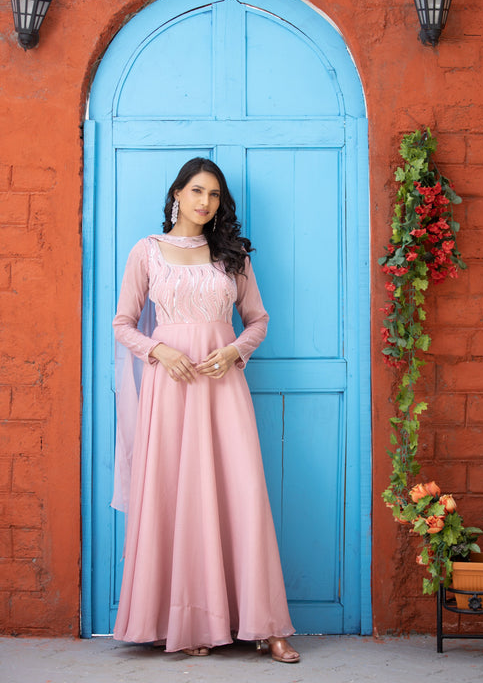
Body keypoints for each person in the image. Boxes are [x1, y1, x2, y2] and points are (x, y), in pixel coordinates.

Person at [112, 157, 300, 663]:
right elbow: (123, 324)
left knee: (242, 496)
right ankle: (185, 622)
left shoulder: (231, 255)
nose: (205, 202)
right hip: (170, 389)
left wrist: (235, 350)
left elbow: (257, 320)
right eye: (197, 191)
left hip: (223, 388)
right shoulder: (147, 253)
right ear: (177, 193)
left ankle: (267, 624)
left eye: (214, 195)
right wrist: (160, 350)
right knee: (177, 498)